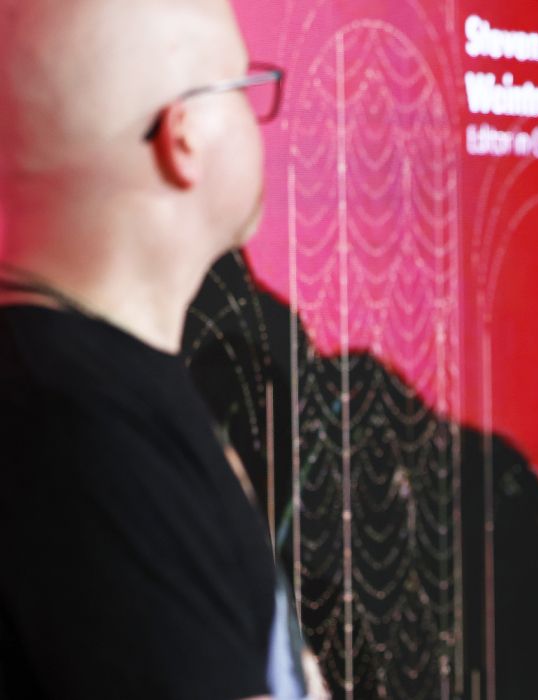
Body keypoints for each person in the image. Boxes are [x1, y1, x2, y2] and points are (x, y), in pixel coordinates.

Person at [0, 1, 319, 697]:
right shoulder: (80, 438)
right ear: (185, 137)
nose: (261, 116)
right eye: (243, 86)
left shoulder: (81, 391)